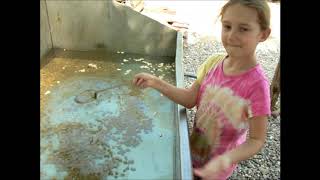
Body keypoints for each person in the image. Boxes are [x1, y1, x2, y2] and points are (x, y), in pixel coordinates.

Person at [132, 0, 272, 179]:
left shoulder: (257, 85)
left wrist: (226, 159)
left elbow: (256, 140)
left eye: (243, 29)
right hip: (194, 150)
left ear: (263, 34)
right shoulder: (213, 62)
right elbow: (190, 99)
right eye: (227, 26)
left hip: (216, 168)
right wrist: (155, 82)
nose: (231, 36)